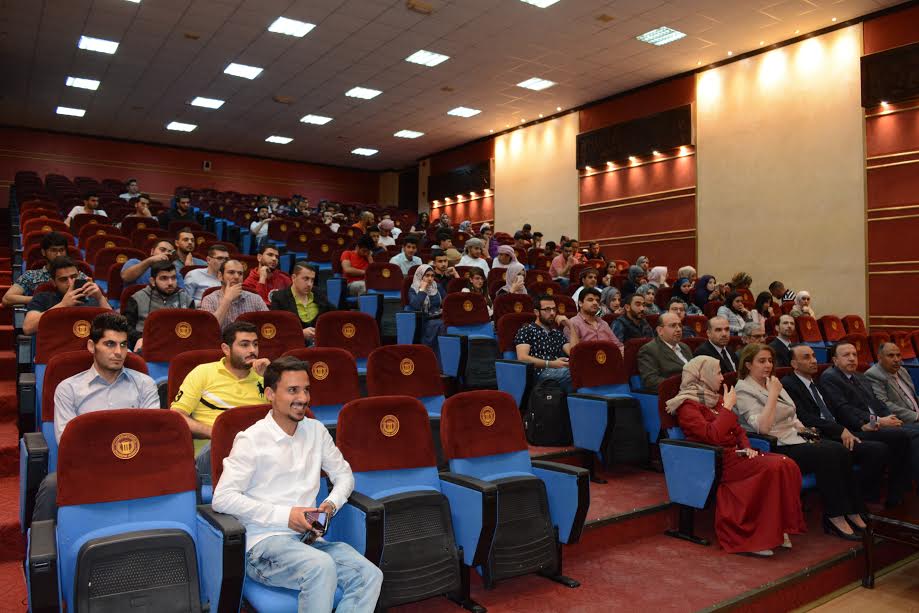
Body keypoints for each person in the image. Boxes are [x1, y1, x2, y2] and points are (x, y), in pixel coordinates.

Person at [213, 356, 384, 612]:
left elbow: (344, 475)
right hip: (263, 546)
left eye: (306, 390)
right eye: (293, 390)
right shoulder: (251, 439)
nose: (303, 398)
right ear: (270, 394)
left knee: (369, 575)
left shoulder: (316, 431)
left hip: (309, 540)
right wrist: (286, 516)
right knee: (320, 567)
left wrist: (330, 505)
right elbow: (222, 498)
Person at [667, 356, 805, 556]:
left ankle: (777, 527)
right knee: (775, 466)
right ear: (702, 376)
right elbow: (712, 436)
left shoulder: (716, 398)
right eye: (717, 373)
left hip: (736, 455)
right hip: (713, 460)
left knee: (787, 464)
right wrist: (727, 408)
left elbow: (738, 430)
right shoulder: (687, 406)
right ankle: (752, 537)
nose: (722, 378)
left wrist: (747, 447)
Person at [32, 313, 160, 521]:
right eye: (110, 344)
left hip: (135, 464)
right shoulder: (68, 389)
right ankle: (43, 540)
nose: (118, 352)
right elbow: (67, 442)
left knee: (186, 472)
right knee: (51, 485)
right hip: (88, 468)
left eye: (123, 345)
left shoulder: (145, 384)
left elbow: (151, 435)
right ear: (92, 346)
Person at [733, 343, 866, 540]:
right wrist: (773, 395)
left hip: (795, 438)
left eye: (770, 361)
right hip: (774, 445)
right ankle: (835, 515)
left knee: (840, 450)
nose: (768, 365)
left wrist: (804, 429)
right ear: (748, 365)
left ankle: (853, 509)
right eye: (761, 361)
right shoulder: (743, 389)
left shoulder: (773, 382)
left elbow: (792, 414)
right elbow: (762, 427)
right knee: (828, 454)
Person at [783, 344, 910, 508]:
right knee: (878, 449)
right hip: (824, 435)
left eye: (814, 356)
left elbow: (841, 409)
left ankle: (892, 494)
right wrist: (846, 429)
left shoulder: (817, 381)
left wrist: (865, 425)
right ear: (794, 364)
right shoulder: (790, 384)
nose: (814, 360)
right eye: (807, 357)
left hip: (845, 429)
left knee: (899, 436)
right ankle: (864, 499)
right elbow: (805, 417)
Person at [171, 321, 270, 487]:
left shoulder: (264, 377)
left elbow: (285, 418)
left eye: (255, 344)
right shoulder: (203, 373)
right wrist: (217, 433)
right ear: (226, 349)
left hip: (259, 451)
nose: (252, 350)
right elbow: (177, 416)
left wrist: (273, 379)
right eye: (244, 345)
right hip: (215, 452)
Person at [821, 342, 919, 475]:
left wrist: (890, 417)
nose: (852, 358)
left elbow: (877, 402)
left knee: (911, 430)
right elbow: (844, 409)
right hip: (857, 428)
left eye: (854, 354)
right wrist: (878, 420)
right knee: (909, 435)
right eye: (846, 355)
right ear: (835, 360)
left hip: (874, 423)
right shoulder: (830, 377)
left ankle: (901, 483)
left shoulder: (859, 376)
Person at [23, 257, 112, 335]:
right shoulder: (42, 298)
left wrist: (100, 298)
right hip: (57, 347)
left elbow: (115, 326)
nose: (70, 283)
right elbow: (28, 328)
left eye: (74, 276)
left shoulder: (93, 297)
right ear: (54, 282)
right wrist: (63, 304)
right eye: (63, 279)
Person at [124, 259, 193, 351]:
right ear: (152, 281)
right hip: (147, 345)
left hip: (179, 346)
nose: (170, 283)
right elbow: (127, 326)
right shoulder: (137, 298)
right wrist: (139, 338)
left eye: (173, 278)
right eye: (164, 278)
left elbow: (194, 328)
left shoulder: (186, 299)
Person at [3, 232, 87, 306]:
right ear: (43, 252)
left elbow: (91, 298)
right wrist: (41, 300)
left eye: (62, 250)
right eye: (53, 250)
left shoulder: (78, 276)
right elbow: (7, 299)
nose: (58, 254)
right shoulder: (31, 276)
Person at [514, 295, 576, 392]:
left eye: (554, 309)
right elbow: (522, 358)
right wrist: (551, 364)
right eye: (547, 309)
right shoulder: (527, 330)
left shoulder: (557, 333)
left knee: (583, 369)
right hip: (540, 374)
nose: (552, 313)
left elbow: (574, 353)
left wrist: (570, 326)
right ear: (536, 312)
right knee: (574, 373)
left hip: (560, 371)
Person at [270, 262, 333, 344]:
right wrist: (300, 333)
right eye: (306, 279)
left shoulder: (318, 294)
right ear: (293, 278)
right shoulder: (279, 298)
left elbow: (334, 315)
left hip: (320, 344)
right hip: (293, 345)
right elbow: (275, 329)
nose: (309, 284)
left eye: (312, 280)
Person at [200, 259, 268, 330]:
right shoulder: (209, 299)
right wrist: (227, 299)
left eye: (240, 273)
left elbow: (268, 325)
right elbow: (210, 329)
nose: (236, 277)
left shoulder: (256, 299)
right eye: (231, 272)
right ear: (220, 276)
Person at [636, 312, 692, 393]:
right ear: (660, 330)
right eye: (673, 326)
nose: (679, 329)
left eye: (680, 325)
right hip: (673, 393)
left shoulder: (685, 347)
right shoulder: (649, 350)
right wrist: (683, 385)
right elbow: (651, 381)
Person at [866, 342, 919, 424]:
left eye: (898, 355)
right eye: (891, 356)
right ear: (879, 358)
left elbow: (912, 398)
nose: (896, 360)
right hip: (902, 421)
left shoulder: (902, 370)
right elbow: (884, 404)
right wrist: (916, 416)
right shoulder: (874, 374)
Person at [566, 287, 623, 354]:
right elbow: (574, 352)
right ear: (580, 303)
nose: (595, 303)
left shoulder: (604, 323)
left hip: (609, 358)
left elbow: (618, 345)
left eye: (597, 300)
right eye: (590, 300)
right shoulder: (572, 323)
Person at [405, 264, 446, 349]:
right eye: (427, 275)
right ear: (420, 276)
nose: (430, 278)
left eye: (432, 276)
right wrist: (422, 290)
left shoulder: (437, 286)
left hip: (439, 317)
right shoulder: (413, 289)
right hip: (424, 320)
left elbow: (446, 301)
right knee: (440, 325)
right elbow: (416, 305)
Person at [121, 239, 187, 287]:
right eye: (162, 250)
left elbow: (181, 295)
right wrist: (150, 260)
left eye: (170, 252)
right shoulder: (134, 262)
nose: (166, 253)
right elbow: (126, 277)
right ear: (152, 251)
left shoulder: (175, 273)